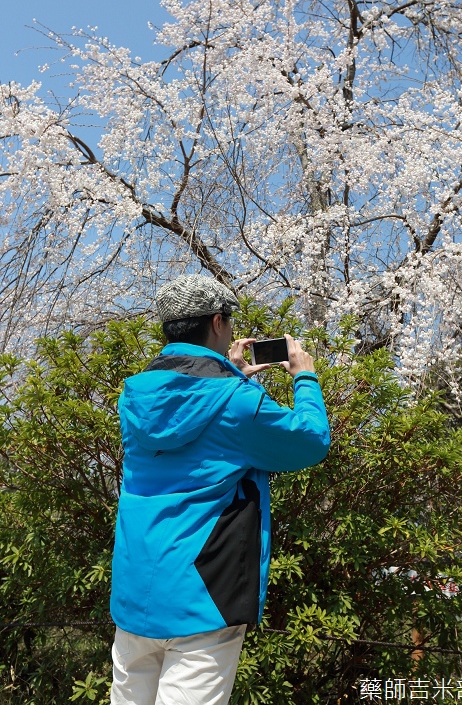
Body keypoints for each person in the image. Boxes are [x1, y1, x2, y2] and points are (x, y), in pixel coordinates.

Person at [109, 274, 330, 705]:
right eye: (228, 322)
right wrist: (305, 378)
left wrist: (233, 375)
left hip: (136, 592)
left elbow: (190, 439)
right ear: (216, 322)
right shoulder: (235, 400)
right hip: (202, 596)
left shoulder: (133, 396)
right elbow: (309, 441)